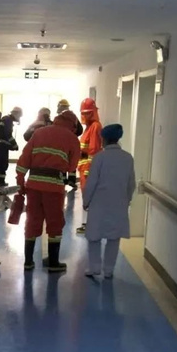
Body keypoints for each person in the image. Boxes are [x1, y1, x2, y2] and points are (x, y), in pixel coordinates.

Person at [16, 110, 80, 272]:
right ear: (73, 125)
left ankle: (28, 262)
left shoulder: (39, 133)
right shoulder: (72, 138)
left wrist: (21, 183)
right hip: (54, 187)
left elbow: (24, 160)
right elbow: (72, 166)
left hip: (33, 186)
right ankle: (53, 263)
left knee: (32, 221)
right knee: (55, 223)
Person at [82, 123, 136, 281]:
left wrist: (86, 200)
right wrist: (127, 199)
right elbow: (131, 183)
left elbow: (92, 182)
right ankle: (108, 270)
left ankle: (94, 268)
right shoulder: (127, 158)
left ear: (104, 139)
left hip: (99, 203)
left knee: (94, 237)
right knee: (114, 237)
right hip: (119, 203)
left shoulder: (100, 157)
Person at [76, 98, 103, 234]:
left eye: (87, 113)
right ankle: (89, 224)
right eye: (83, 113)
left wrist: (90, 171)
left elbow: (94, 150)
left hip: (88, 168)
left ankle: (92, 225)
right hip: (84, 168)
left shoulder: (95, 127)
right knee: (87, 197)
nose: (84, 116)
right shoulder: (89, 127)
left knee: (91, 197)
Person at [0, 106, 23, 188]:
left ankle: (1, 181)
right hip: (1, 146)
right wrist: (14, 144)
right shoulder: (8, 120)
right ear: (16, 114)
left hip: (2, 145)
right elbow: (8, 134)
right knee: (0, 163)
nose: (19, 118)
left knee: (4, 163)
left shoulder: (7, 119)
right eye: (19, 116)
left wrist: (11, 145)